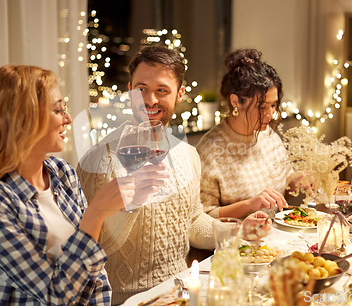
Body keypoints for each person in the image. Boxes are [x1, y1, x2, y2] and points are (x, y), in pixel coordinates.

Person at [76, 46, 270, 305]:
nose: (150, 100)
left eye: (161, 90)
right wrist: (132, 203)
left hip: (180, 294)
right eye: (141, 89)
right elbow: (89, 250)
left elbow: (192, 223)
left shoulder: (188, 155)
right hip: (126, 300)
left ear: (179, 94)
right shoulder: (98, 160)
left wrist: (236, 230)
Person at [0, 65, 135, 305]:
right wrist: (96, 213)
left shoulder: (61, 173)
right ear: (22, 120)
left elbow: (93, 269)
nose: (68, 118)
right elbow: (55, 294)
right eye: (57, 110)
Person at [196, 48, 298, 219]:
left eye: (273, 105)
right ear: (235, 101)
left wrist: (297, 181)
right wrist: (249, 204)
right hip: (237, 241)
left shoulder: (268, 135)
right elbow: (203, 216)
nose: (270, 114)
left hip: (274, 238)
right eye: (262, 107)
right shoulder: (210, 151)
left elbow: (284, 188)